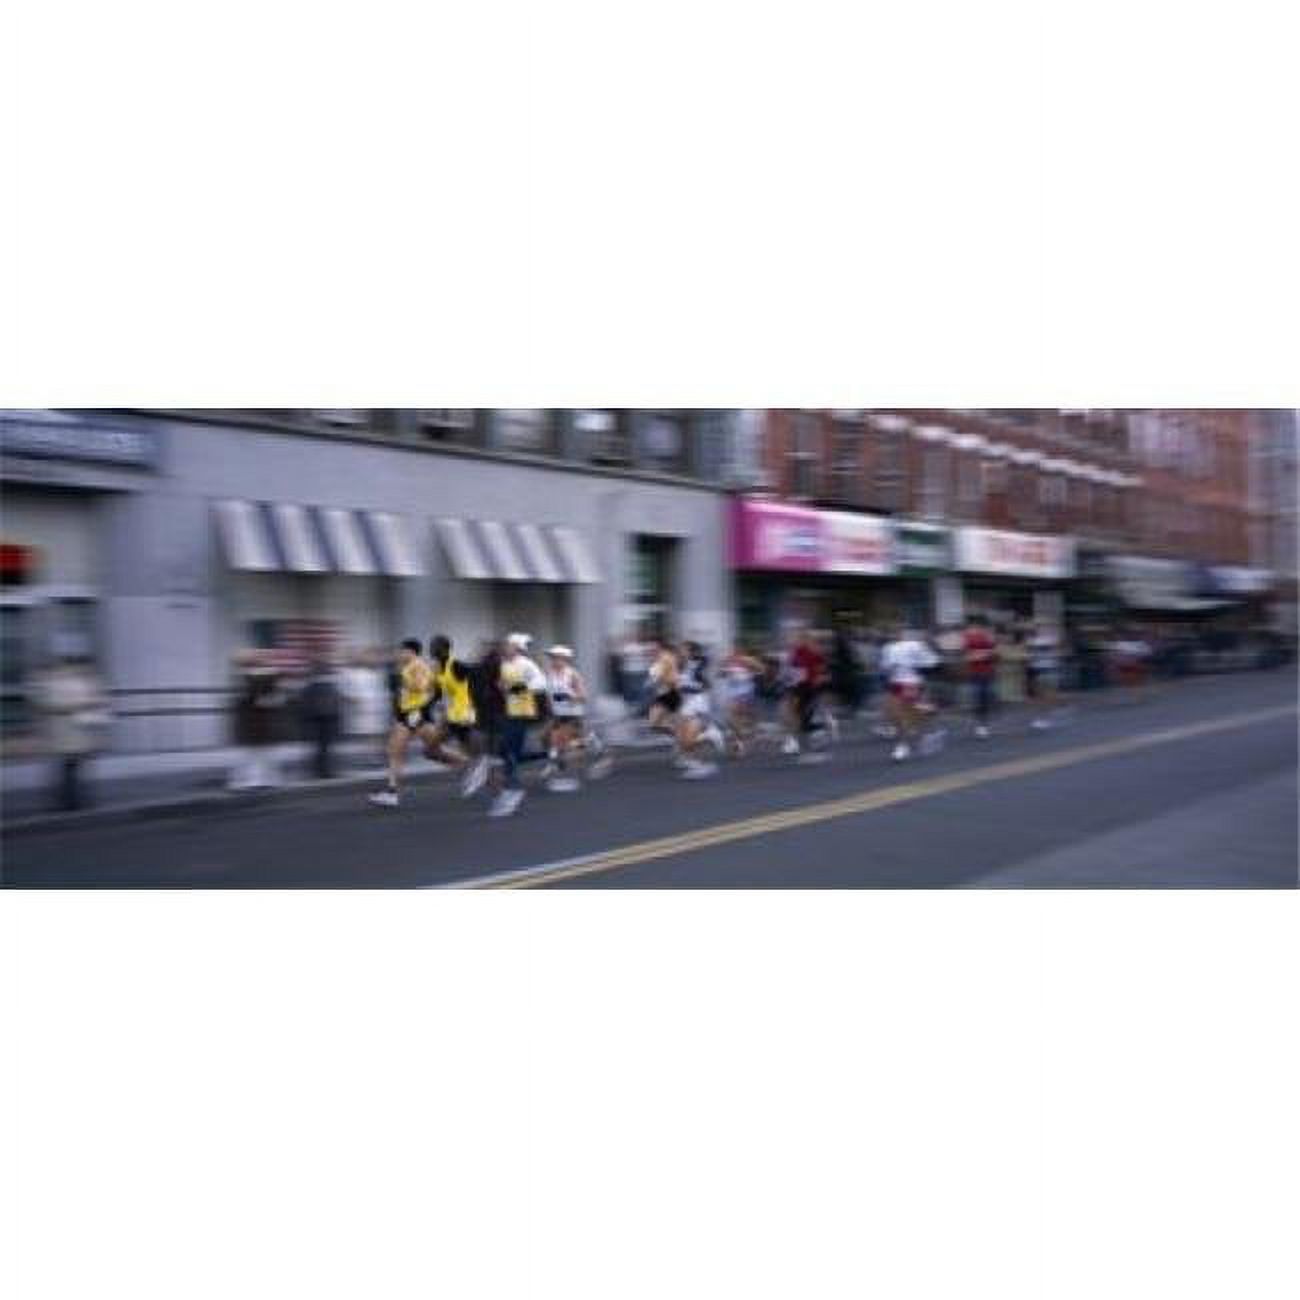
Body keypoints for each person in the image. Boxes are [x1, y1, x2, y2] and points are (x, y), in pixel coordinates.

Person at [368, 639, 438, 808]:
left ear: (411, 652)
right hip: (410, 713)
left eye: (402, 651)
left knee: (402, 750)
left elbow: (421, 686)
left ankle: (471, 766)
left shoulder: (417, 666)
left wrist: (406, 681)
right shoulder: (409, 666)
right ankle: (392, 793)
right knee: (397, 750)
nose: (400, 654)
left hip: (415, 713)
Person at [487, 632, 549, 816]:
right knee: (507, 750)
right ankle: (544, 755)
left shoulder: (525, 663)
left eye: (509, 646)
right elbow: (499, 685)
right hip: (506, 712)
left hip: (522, 712)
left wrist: (515, 688)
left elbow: (541, 683)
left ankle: (512, 790)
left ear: (516, 648)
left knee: (509, 749)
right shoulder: (503, 665)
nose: (506, 649)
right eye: (504, 646)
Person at [38, 654, 109, 811]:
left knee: (73, 767)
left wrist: (89, 701)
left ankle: (74, 799)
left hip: (76, 732)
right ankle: (71, 801)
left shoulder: (78, 680)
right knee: (71, 768)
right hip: (68, 733)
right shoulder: (56, 682)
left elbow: (97, 698)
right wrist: (82, 704)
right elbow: (52, 704)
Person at [425, 635, 492, 797]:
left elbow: (476, 674)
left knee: (473, 753)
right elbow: (438, 693)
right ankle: (470, 766)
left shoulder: (455, 665)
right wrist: (425, 708)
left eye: (436, 647)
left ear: (444, 649)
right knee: (430, 750)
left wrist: (480, 703)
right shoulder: (438, 669)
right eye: (432, 647)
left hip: (465, 716)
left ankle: (500, 789)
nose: (432, 650)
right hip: (451, 715)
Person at [229, 649, 288, 790]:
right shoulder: (254, 677)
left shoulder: (248, 677)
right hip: (257, 720)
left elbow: (259, 699)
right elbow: (267, 699)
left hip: (256, 720)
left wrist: (267, 700)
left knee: (255, 752)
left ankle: (256, 780)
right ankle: (259, 780)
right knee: (258, 752)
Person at [880, 626, 939, 761]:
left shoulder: (915, 645)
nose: (894, 635)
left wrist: (918, 666)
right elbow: (885, 667)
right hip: (896, 683)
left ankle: (904, 744)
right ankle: (905, 742)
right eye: (891, 632)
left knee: (906, 713)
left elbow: (932, 662)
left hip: (912, 683)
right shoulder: (890, 648)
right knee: (895, 713)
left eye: (896, 631)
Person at [785, 627, 829, 758]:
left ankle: (818, 732)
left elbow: (822, 670)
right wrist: (791, 684)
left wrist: (819, 680)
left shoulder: (815, 653)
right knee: (798, 714)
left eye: (803, 638)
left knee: (805, 715)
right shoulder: (796, 653)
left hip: (811, 687)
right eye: (799, 638)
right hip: (798, 687)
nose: (799, 640)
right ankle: (796, 741)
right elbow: (792, 670)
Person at [298, 657, 343, 779]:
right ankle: (323, 771)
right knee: (323, 748)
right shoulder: (325, 686)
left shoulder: (311, 686)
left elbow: (305, 704)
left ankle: (322, 770)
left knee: (321, 748)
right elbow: (335, 703)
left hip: (320, 720)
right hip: (323, 720)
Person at [962, 614, 999, 739]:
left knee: (986, 698)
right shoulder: (968, 637)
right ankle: (980, 725)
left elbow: (995, 653)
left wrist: (980, 654)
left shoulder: (988, 636)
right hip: (975, 673)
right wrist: (984, 654)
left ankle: (983, 725)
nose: (976, 627)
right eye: (974, 625)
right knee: (978, 698)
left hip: (988, 672)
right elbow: (967, 656)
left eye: (978, 625)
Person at [1025, 622, 1064, 730]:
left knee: (1046, 695)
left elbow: (1055, 647)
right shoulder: (1035, 640)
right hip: (1038, 670)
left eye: (1043, 627)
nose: (1042, 629)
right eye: (1040, 628)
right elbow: (1030, 653)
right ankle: (1041, 717)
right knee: (1040, 695)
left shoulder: (1046, 640)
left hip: (1047, 669)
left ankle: (1044, 717)